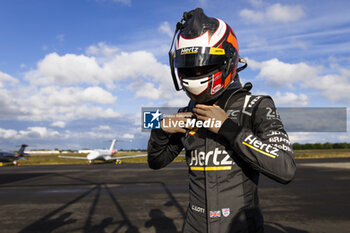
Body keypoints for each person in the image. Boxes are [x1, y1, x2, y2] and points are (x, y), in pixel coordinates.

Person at [147, 8, 296, 233]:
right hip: (194, 227)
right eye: (188, 65)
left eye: (203, 65)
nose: (195, 71)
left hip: (240, 227)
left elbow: (285, 168)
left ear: (227, 61)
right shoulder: (187, 113)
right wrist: (160, 132)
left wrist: (229, 129)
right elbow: (155, 162)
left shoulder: (255, 106)